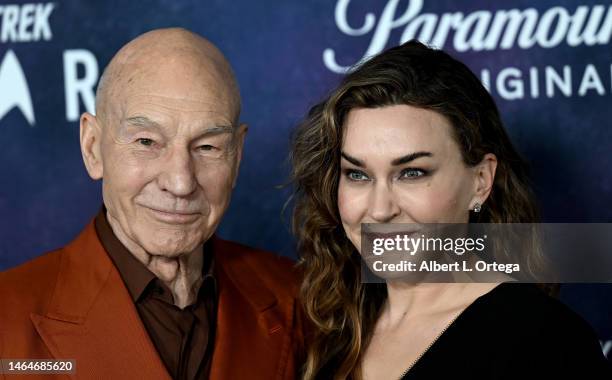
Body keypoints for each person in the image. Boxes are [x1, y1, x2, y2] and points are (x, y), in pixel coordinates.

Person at [290, 40, 611, 379]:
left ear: (481, 181)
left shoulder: (544, 339)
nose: (380, 209)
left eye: (412, 173)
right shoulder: (331, 330)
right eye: (357, 174)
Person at [0, 28, 303, 380]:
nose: (180, 182)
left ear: (236, 156)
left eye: (207, 147)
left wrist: (385, 267)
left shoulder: (297, 299)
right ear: (92, 147)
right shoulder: (6, 317)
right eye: (146, 141)